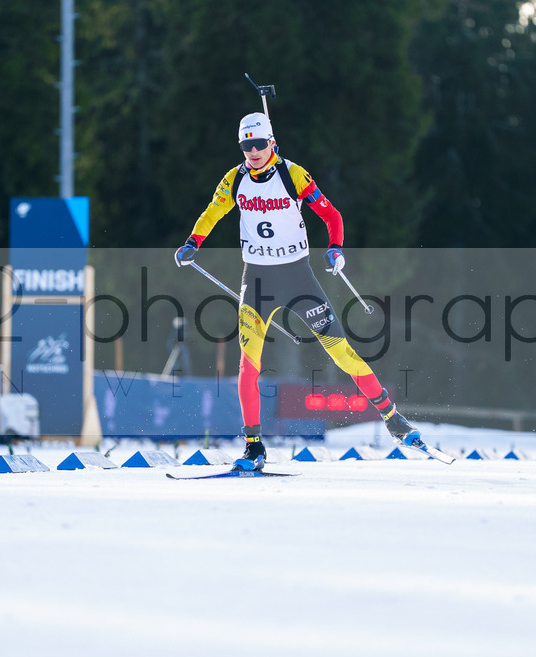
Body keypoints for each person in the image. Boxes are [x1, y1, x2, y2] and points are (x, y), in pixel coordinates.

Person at [174, 111, 420, 471]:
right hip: (257, 280)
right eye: (246, 145)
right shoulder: (235, 179)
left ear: (272, 142)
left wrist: (335, 247)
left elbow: (331, 215)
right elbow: (213, 212)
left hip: (298, 277)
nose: (254, 151)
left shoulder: (293, 174)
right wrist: (193, 241)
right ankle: (253, 446)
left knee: (342, 354)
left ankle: (393, 419)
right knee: (248, 365)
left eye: (259, 144)